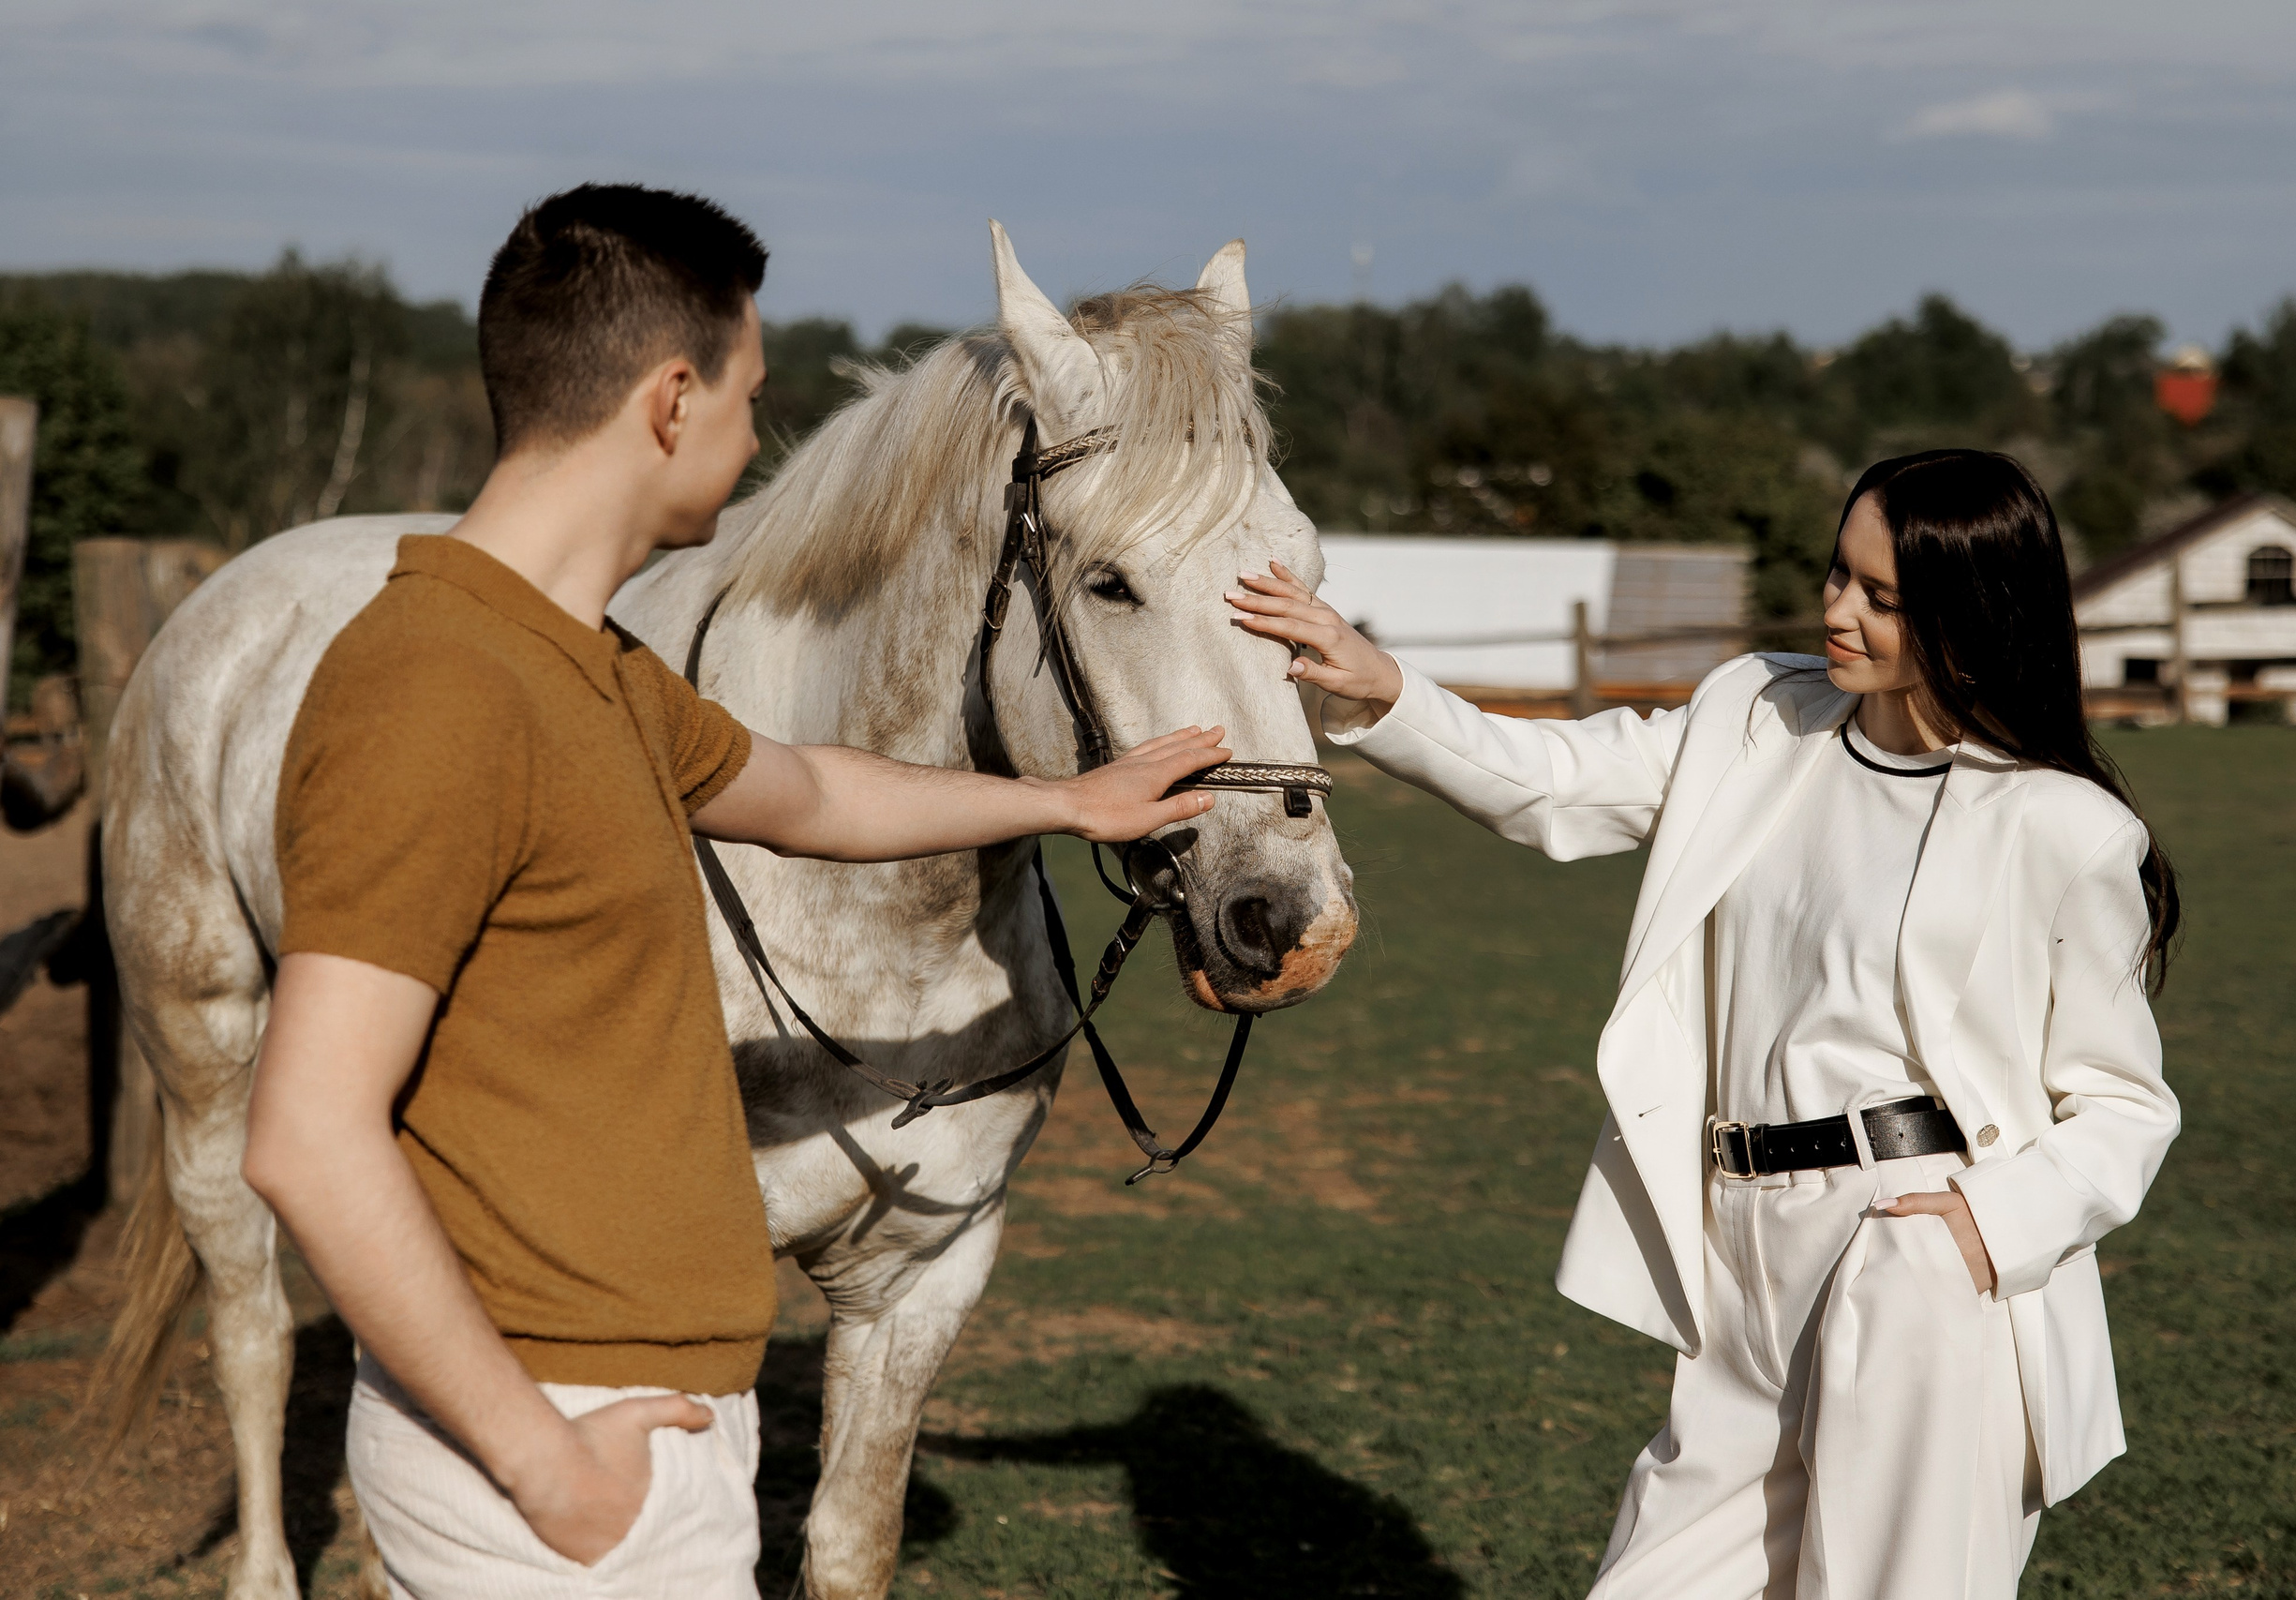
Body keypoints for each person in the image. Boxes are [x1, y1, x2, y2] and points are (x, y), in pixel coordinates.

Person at [241, 185, 1230, 1599]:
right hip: (558, 1441)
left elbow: (813, 795)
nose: (763, 442)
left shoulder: (586, 664)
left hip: (645, 1420)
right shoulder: (439, 686)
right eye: (753, 399)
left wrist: (1072, 801)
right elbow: (306, 1132)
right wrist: (542, 1463)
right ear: (670, 399)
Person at [1228, 449, 2179, 1599]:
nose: (1836, 609)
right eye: (1839, 573)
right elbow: (1557, 781)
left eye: (1882, 597)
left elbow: (2123, 1105)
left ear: (1969, 613)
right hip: (1734, 1240)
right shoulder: (1759, 716)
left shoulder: (2062, 827)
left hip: (1920, 1255)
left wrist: (1981, 1227)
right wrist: (1381, 686)